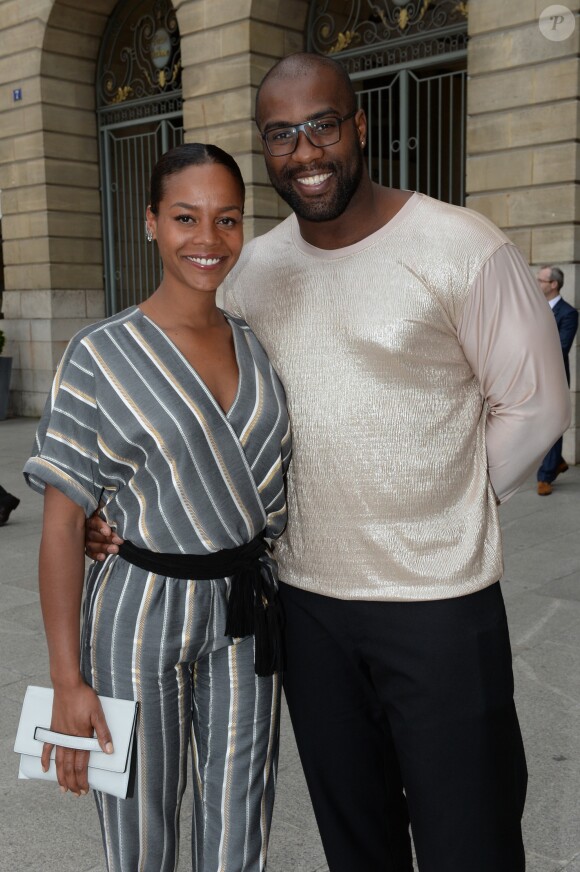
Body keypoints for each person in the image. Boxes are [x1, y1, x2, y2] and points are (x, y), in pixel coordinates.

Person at [87, 54, 571, 872]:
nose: (305, 152)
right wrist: (120, 516)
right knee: (358, 838)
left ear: (360, 125)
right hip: (303, 609)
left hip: (438, 605)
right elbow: (206, 417)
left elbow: (536, 406)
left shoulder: (459, 244)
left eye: (321, 125)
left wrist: (452, 501)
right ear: (265, 149)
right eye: (281, 134)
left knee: (472, 837)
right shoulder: (254, 272)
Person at [23, 143, 291, 872]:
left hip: (245, 614)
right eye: (185, 217)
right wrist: (67, 682)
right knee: (139, 827)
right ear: (150, 221)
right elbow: (61, 524)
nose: (208, 240)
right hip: (137, 613)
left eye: (227, 220)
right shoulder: (98, 353)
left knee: (242, 817)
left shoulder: (259, 345)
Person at [536, 265, 578, 496]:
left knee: (552, 425)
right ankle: (557, 460)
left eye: (541, 280)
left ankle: (545, 476)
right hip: (532, 375)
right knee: (533, 424)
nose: (537, 283)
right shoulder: (535, 309)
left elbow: (561, 347)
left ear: (554, 284)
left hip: (554, 377)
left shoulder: (568, 313)